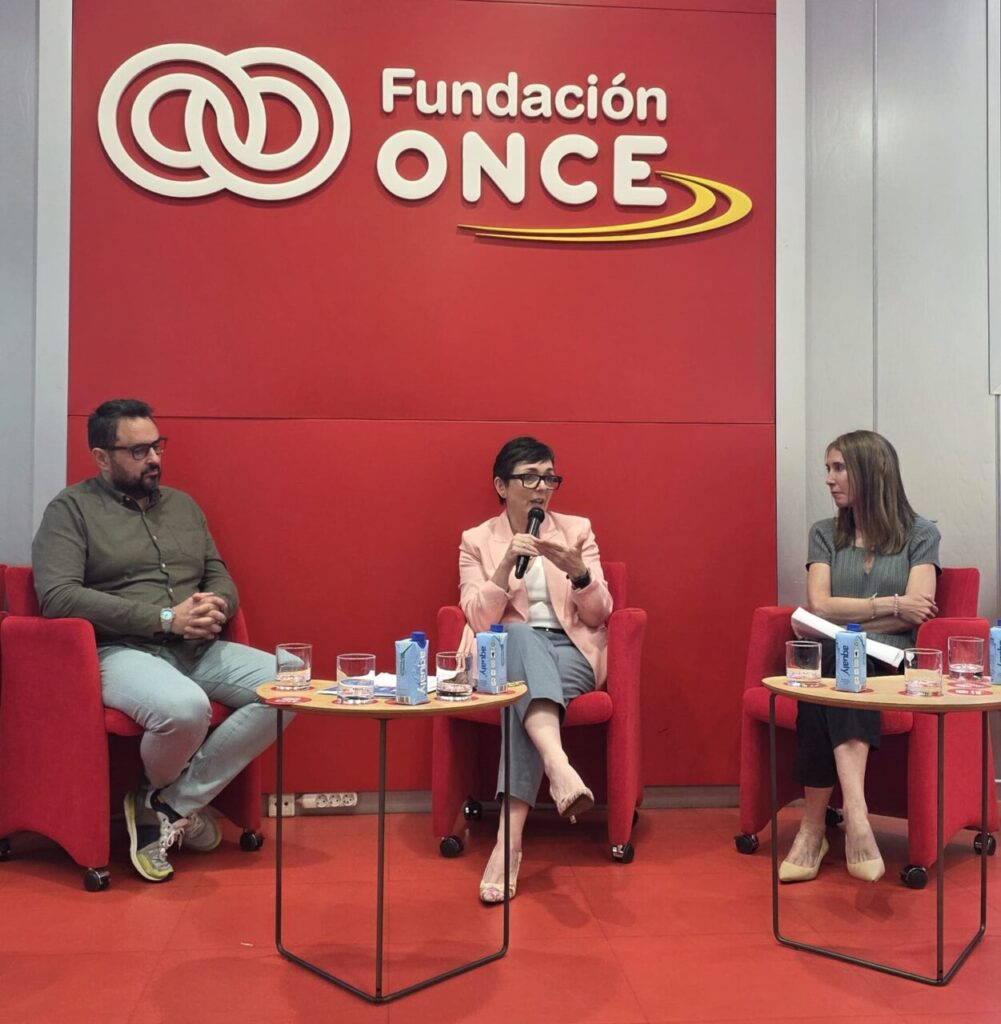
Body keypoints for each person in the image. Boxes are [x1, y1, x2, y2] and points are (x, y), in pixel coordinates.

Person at [32, 399, 288, 883]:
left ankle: (167, 803)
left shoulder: (183, 506)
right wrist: (166, 618)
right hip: (120, 651)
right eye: (138, 451)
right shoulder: (70, 511)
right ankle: (169, 806)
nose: (153, 459)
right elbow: (58, 596)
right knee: (185, 708)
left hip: (196, 648)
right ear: (101, 457)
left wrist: (216, 607)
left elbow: (217, 573)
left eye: (157, 446)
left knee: (293, 684)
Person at [458, 436, 613, 903]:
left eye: (549, 478)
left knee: (519, 698)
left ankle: (508, 845)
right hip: (506, 653)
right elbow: (478, 618)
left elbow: (599, 614)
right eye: (529, 478)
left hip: (570, 653)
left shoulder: (577, 531)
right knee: (520, 638)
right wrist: (506, 564)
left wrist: (580, 574)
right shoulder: (476, 541)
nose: (542, 488)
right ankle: (559, 768)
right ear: (501, 486)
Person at [781, 430, 939, 884]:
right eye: (827, 469)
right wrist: (891, 605)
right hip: (839, 653)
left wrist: (852, 612)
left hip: (894, 662)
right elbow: (819, 605)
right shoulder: (824, 533)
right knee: (839, 655)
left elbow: (921, 608)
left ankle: (813, 829)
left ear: (871, 471)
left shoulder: (921, 534)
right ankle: (856, 814)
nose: (828, 479)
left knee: (832, 668)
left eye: (838, 468)